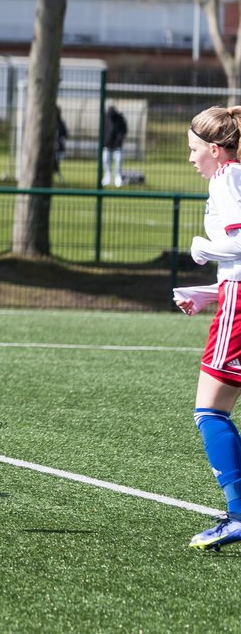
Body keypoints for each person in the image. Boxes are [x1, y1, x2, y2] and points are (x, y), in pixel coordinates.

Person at [178, 105, 241, 550]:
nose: (191, 158)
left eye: (194, 149)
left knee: (210, 411)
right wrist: (208, 290)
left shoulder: (226, 178)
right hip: (234, 296)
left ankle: (238, 514)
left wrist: (203, 248)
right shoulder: (232, 176)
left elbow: (239, 242)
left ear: (215, 150)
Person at [103, 104, 128, 187]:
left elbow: (124, 130)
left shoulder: (120, 119)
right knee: (105, 160)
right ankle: (108, 176)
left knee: (119, 161)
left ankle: (118, 177)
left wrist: (119, 140)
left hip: (117, 145)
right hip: (107, 144)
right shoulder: (105, 118)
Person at [54, 106, 68, 182]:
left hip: (58, 147)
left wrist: (61, 140)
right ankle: (59, 176)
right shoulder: (50, 122)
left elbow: (65, 134)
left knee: (55, 162)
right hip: (51, 147)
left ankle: (59, 176)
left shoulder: (61, 123)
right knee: (54, 162)